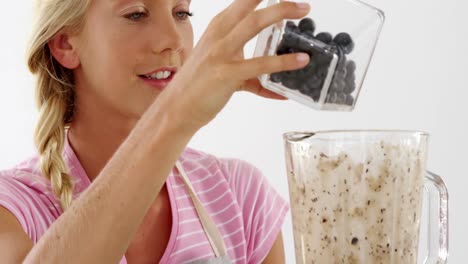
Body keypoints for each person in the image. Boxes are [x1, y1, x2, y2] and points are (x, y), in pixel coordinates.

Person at [0, 0, 311, 263]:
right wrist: (176, 115)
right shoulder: (14, 206)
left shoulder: (241, 198)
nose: (172, 40)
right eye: (136, 14)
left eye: (181, 13)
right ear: (65, 43)